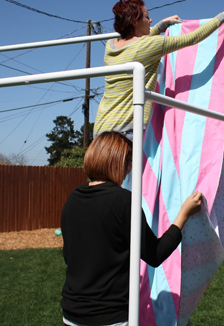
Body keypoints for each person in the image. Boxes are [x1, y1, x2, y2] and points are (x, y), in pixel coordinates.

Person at [60, 131, 203, 326]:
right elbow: (155, 254)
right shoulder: (123, 201)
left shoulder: (73, 199)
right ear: (120, 162)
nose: (129, 171)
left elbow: (69, 256)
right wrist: (183, 214)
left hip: (72, 314)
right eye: (130, 163)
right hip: (110, 317)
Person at [94, 0, 224, 138]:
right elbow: (192, 38)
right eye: (147, 17)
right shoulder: (151, 44)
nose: (150, 20)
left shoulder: (110, 45)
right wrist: (222, 16)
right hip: (125, 129)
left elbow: (138, 40)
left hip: (101, 127)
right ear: (135, 22)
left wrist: (162, 24)